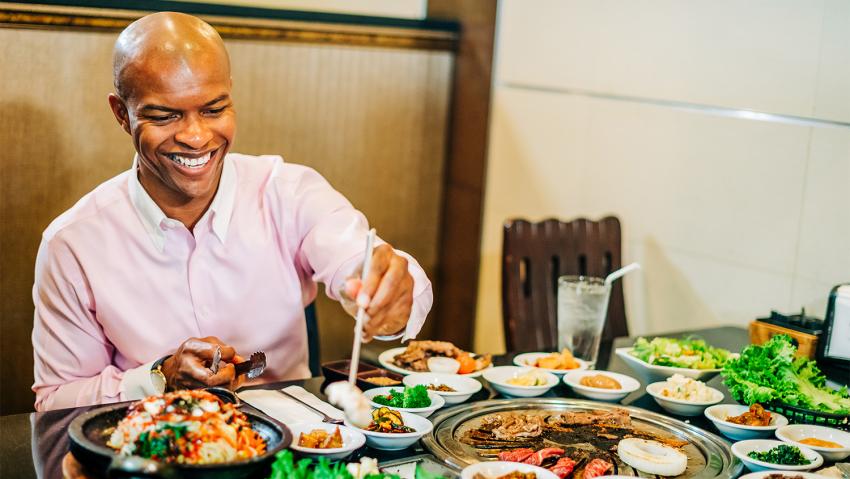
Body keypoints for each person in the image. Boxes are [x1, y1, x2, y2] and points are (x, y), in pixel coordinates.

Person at [31, 12, 432, 411]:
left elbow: (360, 263)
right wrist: (156, 379)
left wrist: (388, 293)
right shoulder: (73, 243)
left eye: (213, 109)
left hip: (290, 449)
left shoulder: (289, 193)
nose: (196, 136)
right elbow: (56, 400)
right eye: (165, 115)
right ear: (122, 114)